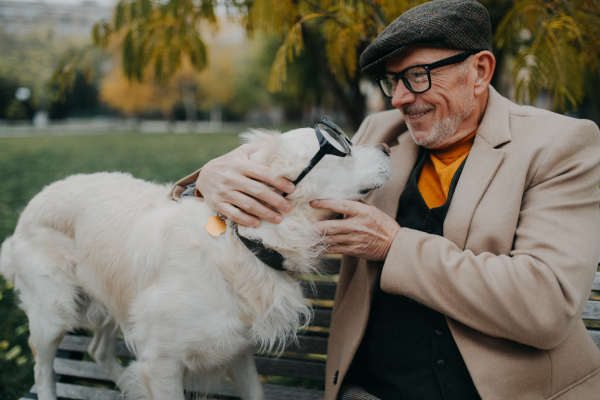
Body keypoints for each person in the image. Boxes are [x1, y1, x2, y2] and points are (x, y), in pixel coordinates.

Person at [170, 0, 600, 398]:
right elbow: (286, 186)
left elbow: (545, 305)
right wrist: (207, 180)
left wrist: (394, 247)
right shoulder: (379, 133)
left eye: (417, 76)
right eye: (393, 81)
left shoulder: (560, 145)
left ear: (481, 70)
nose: (399, 99)